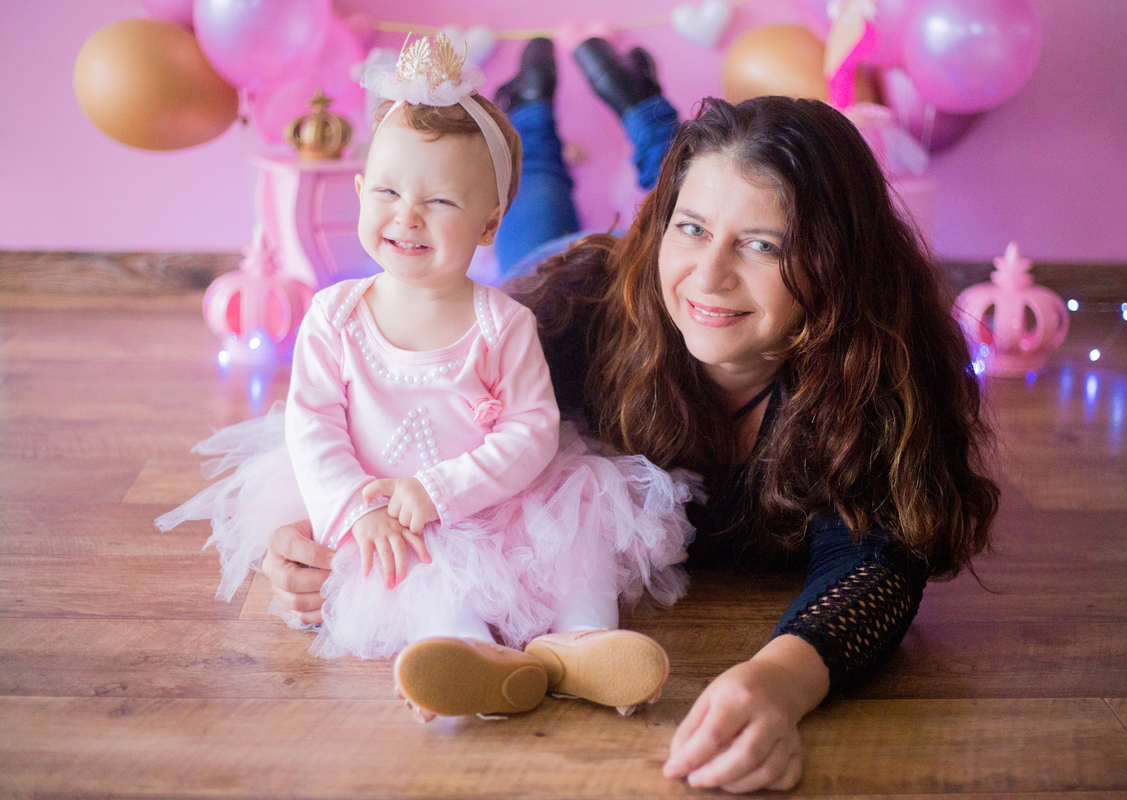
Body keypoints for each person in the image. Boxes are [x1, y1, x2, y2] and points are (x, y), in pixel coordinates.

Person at [262, 38, 999, 792]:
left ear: (837, 263)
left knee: (705, 180)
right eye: (691, 229)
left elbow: (879, 558)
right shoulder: (566, 320)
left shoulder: (877, 368)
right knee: (536, 206)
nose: (710, 276)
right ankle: (539, 116)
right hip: (569, 264)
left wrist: (777, 680)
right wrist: (315, 531)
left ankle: (641, 105)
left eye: (762, 245)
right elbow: (393, 416)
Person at [158, 34, 699, 723]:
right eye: (387, 190)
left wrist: (441, 488)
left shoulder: (501, 323)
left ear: (488, 225)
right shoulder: (336, 315)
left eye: (441, 202)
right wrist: (360, 505)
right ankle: (462, 654)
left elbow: (532, 430)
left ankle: (585, 638)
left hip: (498, 498)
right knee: (417, 568)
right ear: (360, 190)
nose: (407, 215)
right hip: (387, 511)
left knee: (584, 514)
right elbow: (314, 420)